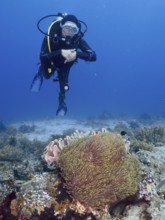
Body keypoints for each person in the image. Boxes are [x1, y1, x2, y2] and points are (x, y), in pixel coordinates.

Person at [31, 14, 96, 116]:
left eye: (73, 30)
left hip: (66, 64)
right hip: (51, 61)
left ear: (77, 31)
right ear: (61, 27)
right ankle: (39, 74)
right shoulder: (51, 35)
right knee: (47, 74)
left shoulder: (77, 40)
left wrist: (77, 54)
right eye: (66, 29)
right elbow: (42, 57)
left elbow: (93, 56)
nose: (69, 33)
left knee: (64, 84)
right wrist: (60, 52)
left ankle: (62, 103)